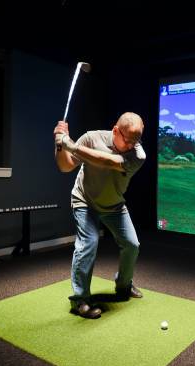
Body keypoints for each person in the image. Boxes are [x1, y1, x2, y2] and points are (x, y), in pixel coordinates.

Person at [53, 112, 146, 319]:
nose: (132, 144)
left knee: (132, 245)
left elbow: (107, 161)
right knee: (88, 244)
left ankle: (123, 285)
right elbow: (65, 165)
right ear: (115, 130)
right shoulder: (92, 138)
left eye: (136, 140)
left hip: (113, 205)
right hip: (84, 200)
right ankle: (80, 300)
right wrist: (60, 144)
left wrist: (71, 145)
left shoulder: (138, 155)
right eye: (128, 139)